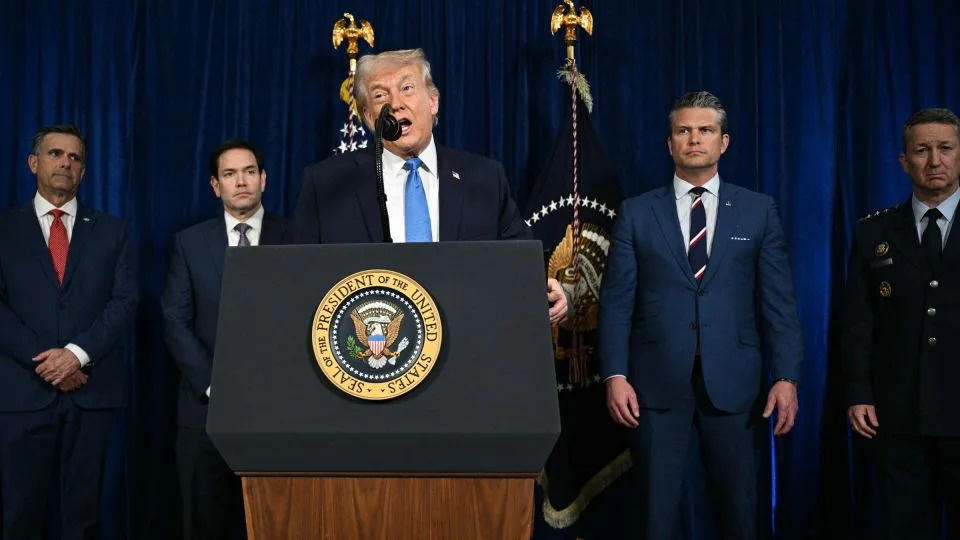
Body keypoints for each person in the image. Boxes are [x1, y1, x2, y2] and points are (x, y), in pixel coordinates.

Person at [598, 91, 803, 538]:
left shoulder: (757, 210)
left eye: (705, 130)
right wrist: (615, 375)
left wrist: (786, 377)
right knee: (655, 516)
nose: (694, 139)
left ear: (723, 142)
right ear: (670, 144)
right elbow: (616, 302)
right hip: (654, 385)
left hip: (735, 385)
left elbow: (779, 304)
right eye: (684, 131)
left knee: (739, 515)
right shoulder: (637, 212)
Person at [293, 48, 566, 324]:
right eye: (380, 95)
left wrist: (540, 287)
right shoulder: (326, 185)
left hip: (468, 343)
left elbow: (518, 260)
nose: (395, 103)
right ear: (368, 116)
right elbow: (299, 279)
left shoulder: (484, 179)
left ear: (433, 102)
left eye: (407, 88)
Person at [0, 124, 138, 539]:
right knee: (19, 517)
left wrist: (76, 355)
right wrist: (50, 363)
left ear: (84, 171)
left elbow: (125, 302)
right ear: (33, 163)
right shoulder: (4, 229)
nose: (65, 163)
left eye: (75, 158)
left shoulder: (114, 231)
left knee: (84, 520)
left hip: (89, 393)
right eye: (56, 154)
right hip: (22, 394)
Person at [162, 139, 293, 539]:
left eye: (250, 172)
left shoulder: (296, 236)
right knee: (204, 521)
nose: (242, 182)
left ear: (264, 179)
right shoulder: (189, 242)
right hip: (205, 412)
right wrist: (213, 384)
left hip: (279, 410)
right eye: (230, 174)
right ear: (215, 186)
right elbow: (174, 318)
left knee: (277, 521)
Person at [842, 108, 960, 539]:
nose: (934, 161)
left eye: (945, 148)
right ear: (903, 161)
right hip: (899, 411)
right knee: (906, 527)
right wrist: (858, 392)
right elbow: (858, 321)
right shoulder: (872, 233)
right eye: (922, 150)